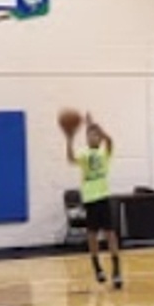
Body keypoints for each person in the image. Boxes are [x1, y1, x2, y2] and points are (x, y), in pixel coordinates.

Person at [65, 113, 123, 289]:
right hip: (90, 199)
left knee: (110, 234)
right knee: (91, 235)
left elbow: (110, 141)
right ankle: (97, 267)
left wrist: (98, 128)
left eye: (95, 135)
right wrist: (69, 140)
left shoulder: (103, 152)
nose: (93, 137)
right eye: (90, 135)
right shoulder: (83, 153)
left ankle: (116, 270)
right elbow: (71, 158)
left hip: (103, 197)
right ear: (87, 138)